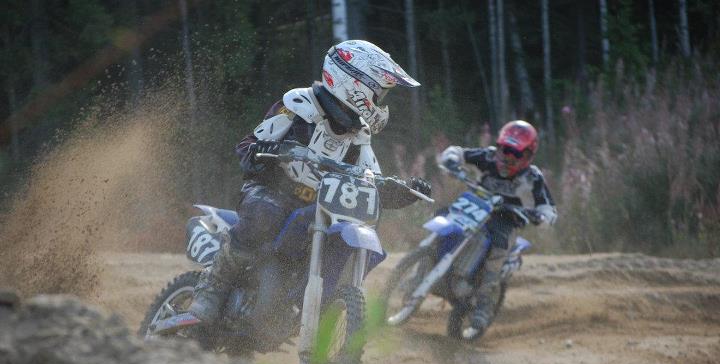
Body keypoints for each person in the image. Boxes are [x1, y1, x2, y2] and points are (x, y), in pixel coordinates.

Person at [188, 40, 432, 325]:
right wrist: (264, 150)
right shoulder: (299, 105)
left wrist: (401, 191)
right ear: (355, 83)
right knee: (264, 214)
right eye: (379, 92)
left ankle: (305, 307)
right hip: (271, 190)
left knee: (338, 237)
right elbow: (249, 144)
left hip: (317, 207)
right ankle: (212, 286)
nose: (380, 101)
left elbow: (370, 180)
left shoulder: (359, 134)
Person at [439, 120, 557, 340]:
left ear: (528, 155)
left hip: (506, 220)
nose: (507, 157)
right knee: (442, 216)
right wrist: (452, 160)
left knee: (498, 248)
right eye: (505, 149)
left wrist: (541, 217)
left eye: (515, 153)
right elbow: (458, 152)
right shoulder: (488, 156)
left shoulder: (532, 177)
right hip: (475, 206)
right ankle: (423, 266)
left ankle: (483, 307)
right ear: (499, 145)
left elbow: (549, 209)